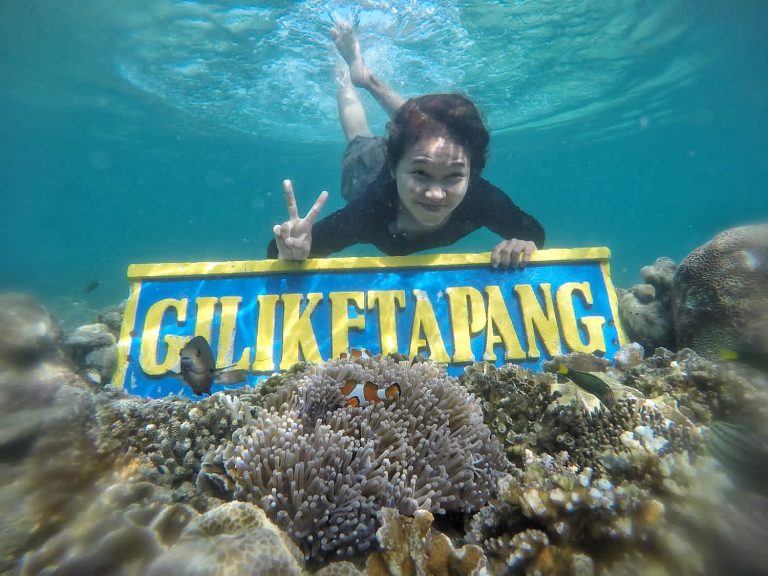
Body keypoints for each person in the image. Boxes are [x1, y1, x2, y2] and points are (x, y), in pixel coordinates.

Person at [268, 21, 544, 269]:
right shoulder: (369, 212)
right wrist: (294, 251)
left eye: (454, 176)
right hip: (366, 171)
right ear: (392, 167)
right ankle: (344, 76)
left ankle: (367, 78)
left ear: (472, 173)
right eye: (421, 174)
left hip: (410, 154)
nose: (436, 195)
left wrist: (523, 245)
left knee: (432, 132)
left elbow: (533, 233)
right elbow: (277, 252)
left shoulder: (480, 198)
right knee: (358, 135)